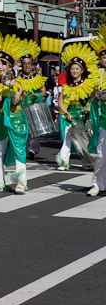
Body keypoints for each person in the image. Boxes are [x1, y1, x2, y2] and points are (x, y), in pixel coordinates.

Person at [0, 34, 30, 194]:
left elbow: (16, 101)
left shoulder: (18, 82)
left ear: (10, 66)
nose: (0, 66)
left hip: (16, 118)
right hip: (0, 119)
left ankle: (20, 182)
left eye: (3, 64)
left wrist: (9, 90)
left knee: (19, 150)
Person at [56, 43, 98, 172]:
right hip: (70, 116)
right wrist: (66, 112)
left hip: (84, 116)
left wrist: (90, 108)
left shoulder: (88, 84)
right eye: (72, 68)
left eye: (77, 68)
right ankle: (64, 162)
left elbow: (94, 98)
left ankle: (89, 161)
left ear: (82, 70)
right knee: (67, 138)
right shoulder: (67, 86)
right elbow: (60, 101)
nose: (74, 71)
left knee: (84, 140)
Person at [16, 40, 47, 158]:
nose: (27, 65)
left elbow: (43, 92)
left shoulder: (38, 78)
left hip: (34, 106)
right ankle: (24, 148)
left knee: (34, 130)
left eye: (29, 63)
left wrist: (38, 96)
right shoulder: (17, 78)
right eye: (24, 63)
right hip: (21, 107)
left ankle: (32, 149)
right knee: (23, 129)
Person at [88, 26, 106, 196]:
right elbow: (91, 96)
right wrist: (95, 94)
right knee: (101, 154)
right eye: (103, 57)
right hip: (103, 120)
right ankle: (97, 184)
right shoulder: (96, 75)